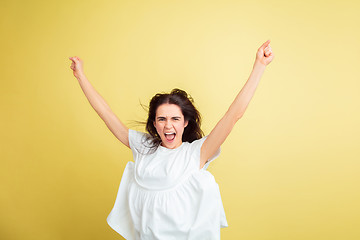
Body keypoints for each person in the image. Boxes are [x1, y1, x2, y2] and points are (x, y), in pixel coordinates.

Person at [69, 40, 274, 240]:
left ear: (185, 123)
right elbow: (106, 113)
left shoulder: (196, 153)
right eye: (162, 119)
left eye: (175, 119)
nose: (168, 125)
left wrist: (260, 65)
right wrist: (81, 77)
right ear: (155, 124)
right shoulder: (144, 147)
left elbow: (233, 115)